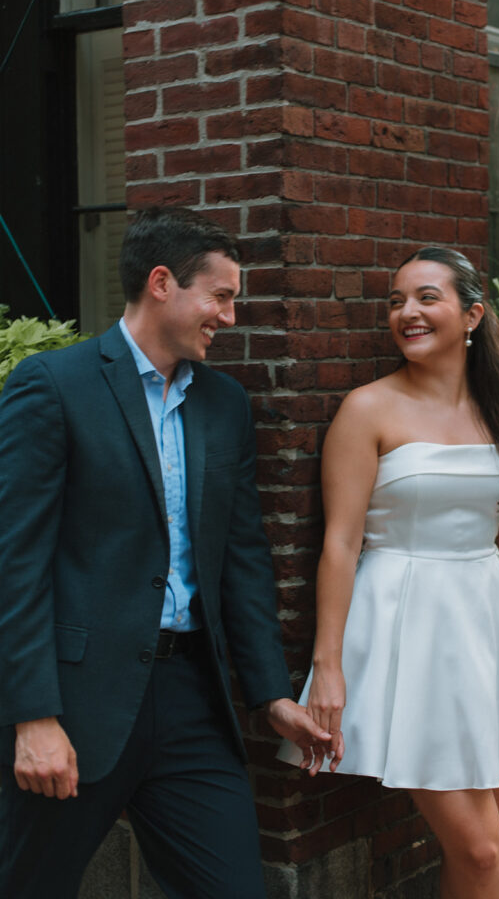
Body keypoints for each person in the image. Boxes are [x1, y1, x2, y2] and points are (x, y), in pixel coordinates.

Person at [0, 207, 329, 899]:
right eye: (221, 295)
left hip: (190, 702)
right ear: (160, 283)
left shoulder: (225, 405)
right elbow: (15, 562)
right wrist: (32, 715)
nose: (230, 317)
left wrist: (270, 691)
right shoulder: (53, 387)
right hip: (77, 700)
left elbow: (240, 557)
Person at [280, 246, 499, 899]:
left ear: (472, 314)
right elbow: (339, 545)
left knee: (477, 846)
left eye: (427, 297)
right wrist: (330, 664)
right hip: (405, 629)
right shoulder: (366, 410)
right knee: (483, 849)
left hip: (488, 632)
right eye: (397, 300)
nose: (408, 312)